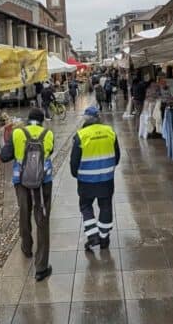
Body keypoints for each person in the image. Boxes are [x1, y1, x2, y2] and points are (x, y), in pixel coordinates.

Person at [0, 109, 55, 281]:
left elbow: (4, 157)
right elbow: (50, 151)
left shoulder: (17, 133)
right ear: (41, 121)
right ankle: (41, 267)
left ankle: (26, 246)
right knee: (42, 219)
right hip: (43, 181)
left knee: (24, 212)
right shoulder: (48, 134)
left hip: (21, 181)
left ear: (28, 120)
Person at [70, 106, 120, 250]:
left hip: (86, 181)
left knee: (85, 206)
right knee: (105, 206)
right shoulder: (110, 132)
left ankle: (93, 236)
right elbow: (117, 157)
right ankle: (104, 238)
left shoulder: (81, 135)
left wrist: (76, 174)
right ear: (99, 118)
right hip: (106, 179)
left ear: (85, 119)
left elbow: (74, 161)